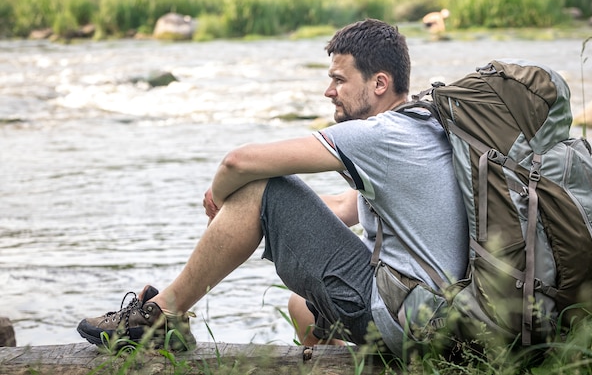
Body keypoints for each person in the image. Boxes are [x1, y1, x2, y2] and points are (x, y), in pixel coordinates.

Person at [77, 18, 468, 358]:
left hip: (410, 320)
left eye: (339, 79)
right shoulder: (423, 123)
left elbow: (239, 162)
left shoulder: (380, 135)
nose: (329, 91)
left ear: (379, 83)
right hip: (443, 319)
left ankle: (160, 317)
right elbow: (344, 206)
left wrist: (224, 199)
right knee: (301, 307)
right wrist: (254, 222)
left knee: (261, 186)